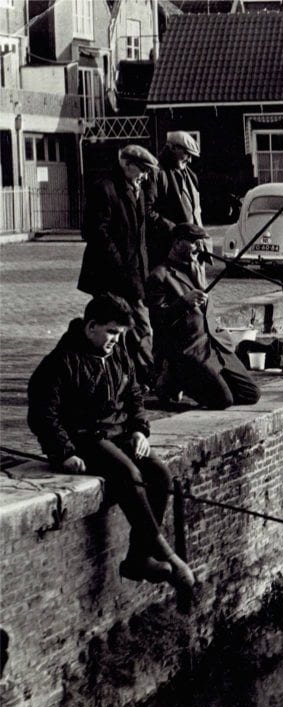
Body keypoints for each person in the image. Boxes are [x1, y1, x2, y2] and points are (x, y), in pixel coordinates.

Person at [26, 293, 195, 596]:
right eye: (111, 333)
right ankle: (167, 554)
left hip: (119, 434)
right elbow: (42, 414)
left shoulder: (118, 354)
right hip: (84, 438)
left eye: (120, 335)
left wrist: (140, 430)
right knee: (128, 475)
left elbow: (133, 396)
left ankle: (137, 559)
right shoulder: (60, 362)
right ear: (91, 327)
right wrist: (63, 453)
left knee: (160, 475)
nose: (116, 340)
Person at [146, 223, 261, 410]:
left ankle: (198, 380)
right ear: (176, 244)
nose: (199, 247)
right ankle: (173, 378)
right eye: (193, 242)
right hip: (189, 350)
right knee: (223, 401)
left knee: (251, 394)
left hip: (215, 345)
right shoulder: (160, 276)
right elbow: (158, 321)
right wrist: (184, 302)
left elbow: (208, 311)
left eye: (201, 242)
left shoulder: (197, 268)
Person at [78, 144, 159, 387]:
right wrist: (120, 265)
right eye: (142, 170)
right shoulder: (104, 189)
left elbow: (140, 236)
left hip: (134, 273)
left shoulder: (138, 190)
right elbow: (94, 232)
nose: (144, 176)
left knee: (132, 328)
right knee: (130, 327)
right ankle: (142, 378)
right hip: (111, 275)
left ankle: (130, 378)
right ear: (126, 164)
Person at [146, 131, 208, 270]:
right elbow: (148, 211)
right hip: (169, 253)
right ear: (172, 148)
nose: (190, 160)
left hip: (193, 253)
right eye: (187, 153)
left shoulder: (191, 175)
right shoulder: (155, 173)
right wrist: (175, 230)